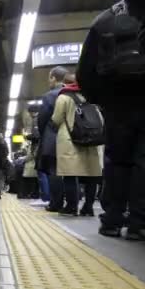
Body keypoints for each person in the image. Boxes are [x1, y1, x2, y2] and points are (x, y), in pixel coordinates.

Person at [77, 0, 145, 240]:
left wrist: (101, 100)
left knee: (116, 161)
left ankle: (111, 221)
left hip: (116, 101)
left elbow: (85, 71)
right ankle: (139, 223)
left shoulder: (104, 20)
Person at [50, 81, 103, 216]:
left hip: (70, 140)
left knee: (70, 174)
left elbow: (56, 119)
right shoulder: (91, 96)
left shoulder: (64, 97)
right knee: (91, 175)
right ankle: (88, 207)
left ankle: (71, 207)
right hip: (91, 139)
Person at [36, 66, 69, 212]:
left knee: (53, 170)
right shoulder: (71, 93)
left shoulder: (50, 95)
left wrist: (44, 134)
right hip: (71, 137)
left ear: (54, 78)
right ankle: (71, 204)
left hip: (53, 137)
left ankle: (56, 203)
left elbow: (42, 119)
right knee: (68, 172)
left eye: (49, 77)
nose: (49, 81)